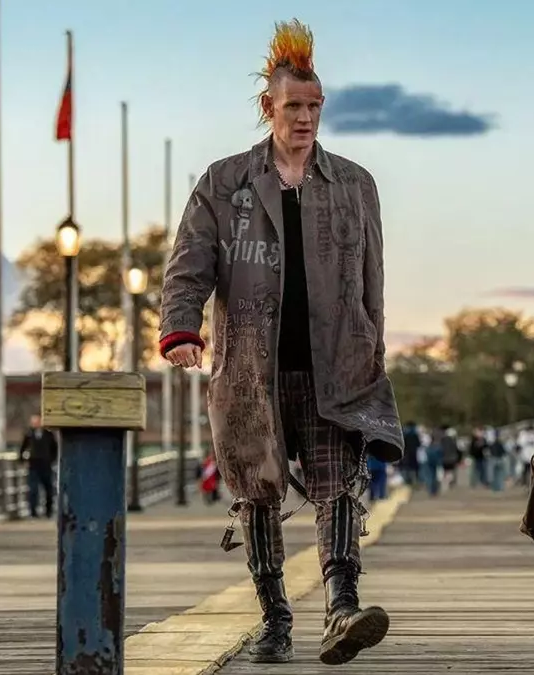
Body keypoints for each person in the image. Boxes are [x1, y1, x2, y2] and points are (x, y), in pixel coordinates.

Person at [157, 18, 403, 666]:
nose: (306, 118)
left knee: (338, 485)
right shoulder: (225, 183)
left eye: (315, 106)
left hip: (335, 366)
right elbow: (189, 265)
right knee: (257, 492)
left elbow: (373, 278)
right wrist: (180, 328)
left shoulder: (355, 184)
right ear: (268, 107)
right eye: (294, 106)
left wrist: (373, 351)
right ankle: (275, 618)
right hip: (250, 370)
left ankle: (343, 606)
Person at [18, 414, 59, 518]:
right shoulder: (29, 434)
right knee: (33, 488)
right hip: (33, 464)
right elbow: (23, 447)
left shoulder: (48, 434)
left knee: (48, 488)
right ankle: (33, 511)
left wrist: (52, 459)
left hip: (46, 464)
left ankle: (49, 510)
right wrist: (22, 459)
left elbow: (54, 448)